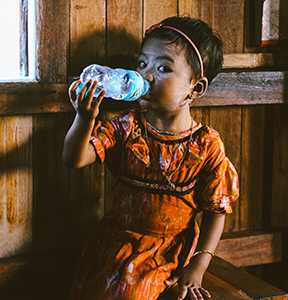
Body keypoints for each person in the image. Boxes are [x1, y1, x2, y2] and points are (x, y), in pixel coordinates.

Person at [63, 15, 239, 300]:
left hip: (168, 250)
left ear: (196, 88)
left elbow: (216, 210)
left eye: (164, 68)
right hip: (115, 243)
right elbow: (74, 159)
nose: (145, 76)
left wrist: (199, 266)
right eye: (142, 64)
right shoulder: (126, 127)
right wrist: (84, 118)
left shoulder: (206, 145)